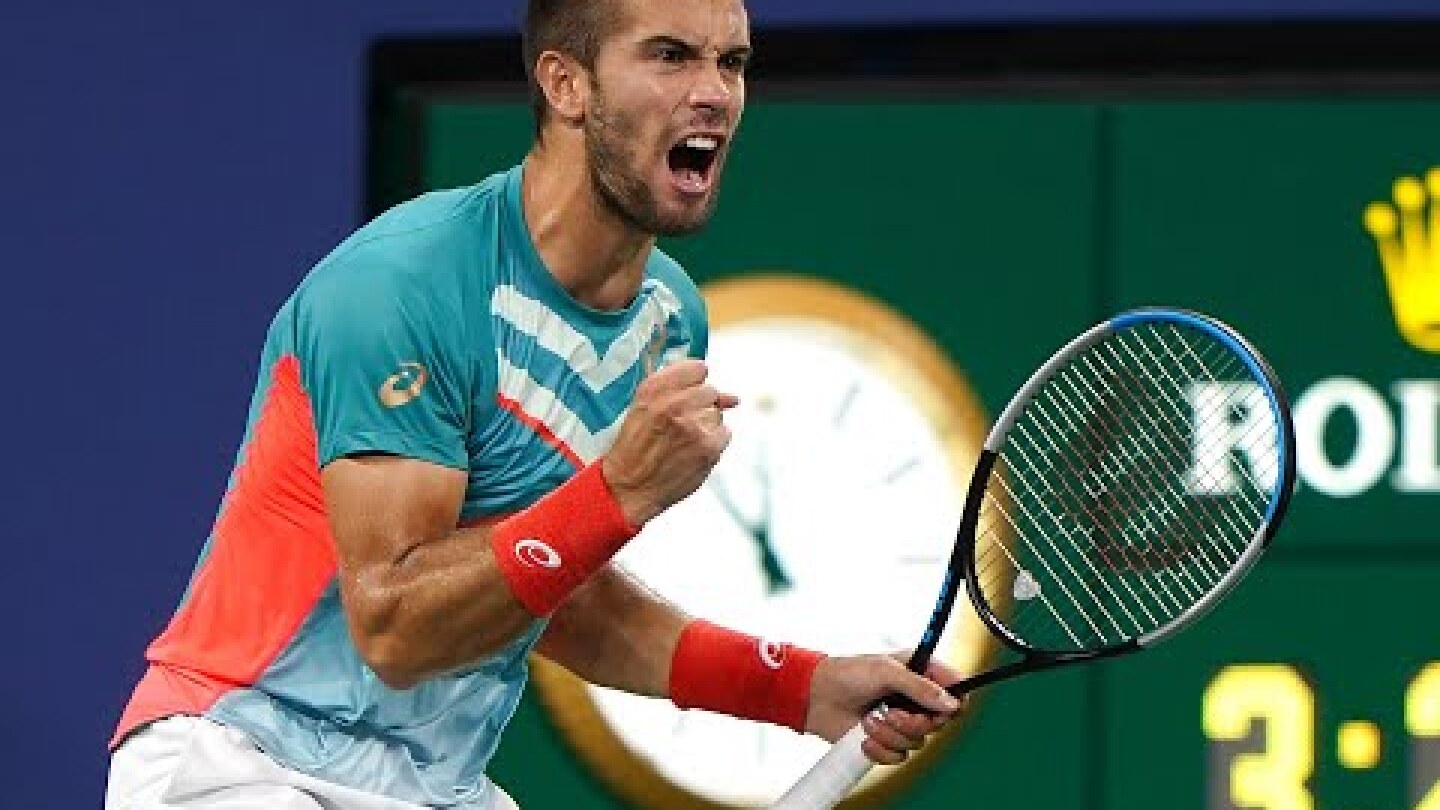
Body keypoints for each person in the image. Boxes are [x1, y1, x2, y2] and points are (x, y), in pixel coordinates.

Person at [105, 0, 963, 807]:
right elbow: (397, 628)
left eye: (730, 61)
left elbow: (550, 592)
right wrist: (619, 493)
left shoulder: (668, 323)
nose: (713, 93)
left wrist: (798, 686)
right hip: (241, 759)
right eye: (668, 56)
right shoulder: (400, 288)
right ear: (566, 85)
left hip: (435, 787)